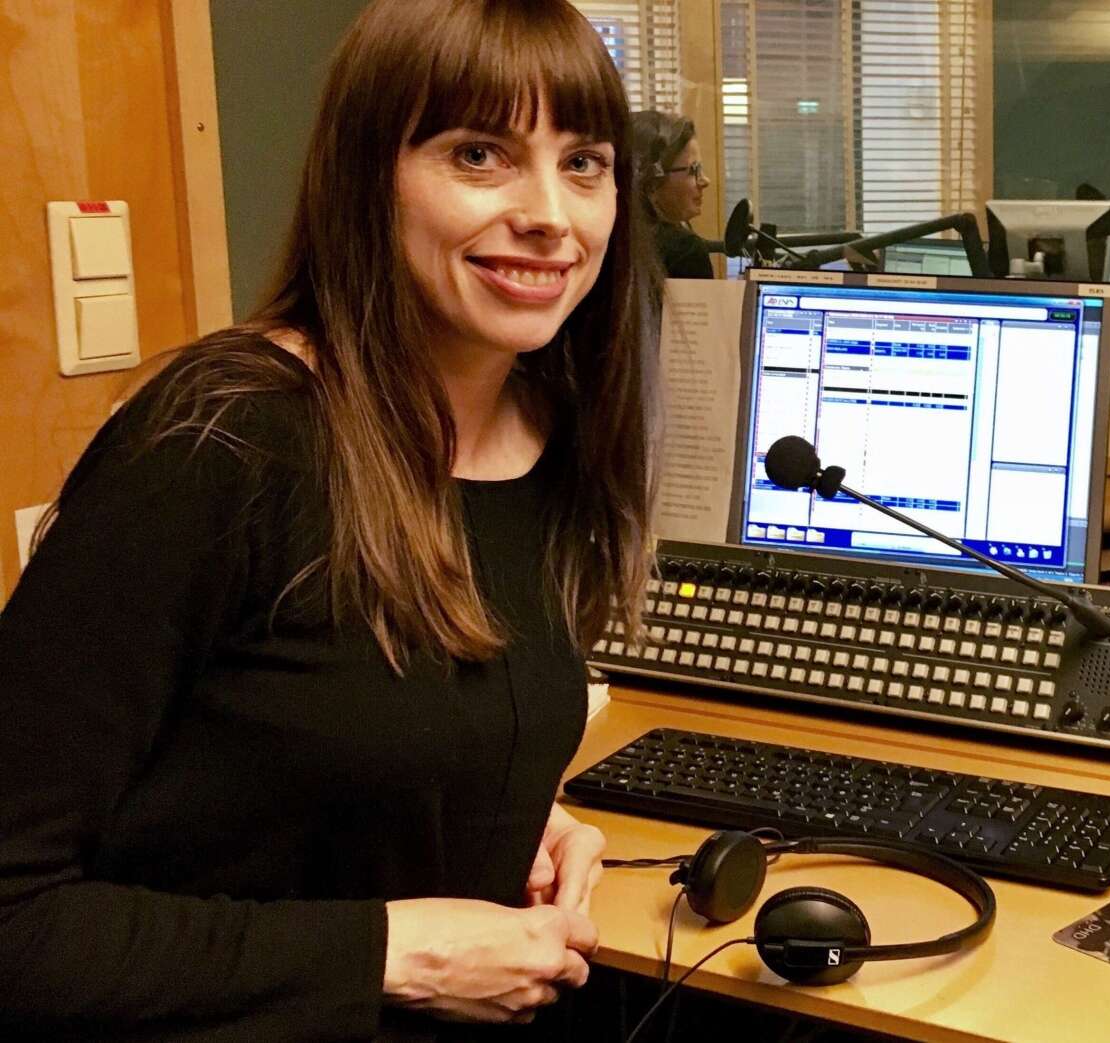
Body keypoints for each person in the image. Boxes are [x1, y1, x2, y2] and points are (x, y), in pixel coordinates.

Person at [0, 0, 659, 1038]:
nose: (549, 214)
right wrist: (394, 952)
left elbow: (322, 735)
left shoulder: (549, 432)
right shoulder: (224, 441)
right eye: (479, 154)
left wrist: (508, 802)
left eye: (583, 163)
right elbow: (14, 914)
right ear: (366, 175)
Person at [631, 110, 716, 278]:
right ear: (652, 181)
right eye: (694, 170)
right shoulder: (685, 251)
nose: (705, 181)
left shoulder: (601, 241)